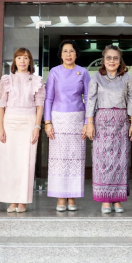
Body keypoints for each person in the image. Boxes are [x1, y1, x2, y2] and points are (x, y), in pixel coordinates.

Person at [85, 45, 132, 213]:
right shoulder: (97, 77)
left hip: (122, 121)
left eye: (115, 58)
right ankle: (105, 199)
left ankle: (117, 199)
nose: (112, 61)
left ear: (120, 60)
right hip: (102, 121)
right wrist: (90, 122)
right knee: (103, 161)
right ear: (103, 60)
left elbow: (131, 99)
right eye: (109, 58)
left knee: (120, 161)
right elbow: (91, 99)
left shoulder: (127, 77)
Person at [44, 40, 90, 212]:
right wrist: (47, 122)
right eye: (65, 51)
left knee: (75, 159)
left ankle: (72, 197)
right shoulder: (55, 72)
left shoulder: (83, 72)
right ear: (61, 54)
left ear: (76, 54)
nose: (68, 54)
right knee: (59, 159)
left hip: (78, 119)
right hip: (58, 119)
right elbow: (48, 98)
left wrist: (87, 122)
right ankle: (60, 197)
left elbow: (89, 98)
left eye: (71, 51)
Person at [0, 48, 45, 213]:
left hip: (29, 122)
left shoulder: (37, 80)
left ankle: (23, 200)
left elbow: (40, 106)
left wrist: (37, 127)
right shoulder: (6, 80)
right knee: (9, 162)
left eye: (26, 58)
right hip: (10, 122)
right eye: (19, 58)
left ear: (30, 61)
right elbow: (1, 105)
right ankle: (12, 200)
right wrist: (1, 127)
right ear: (14, 61)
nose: (23, 61)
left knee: (27, 162)